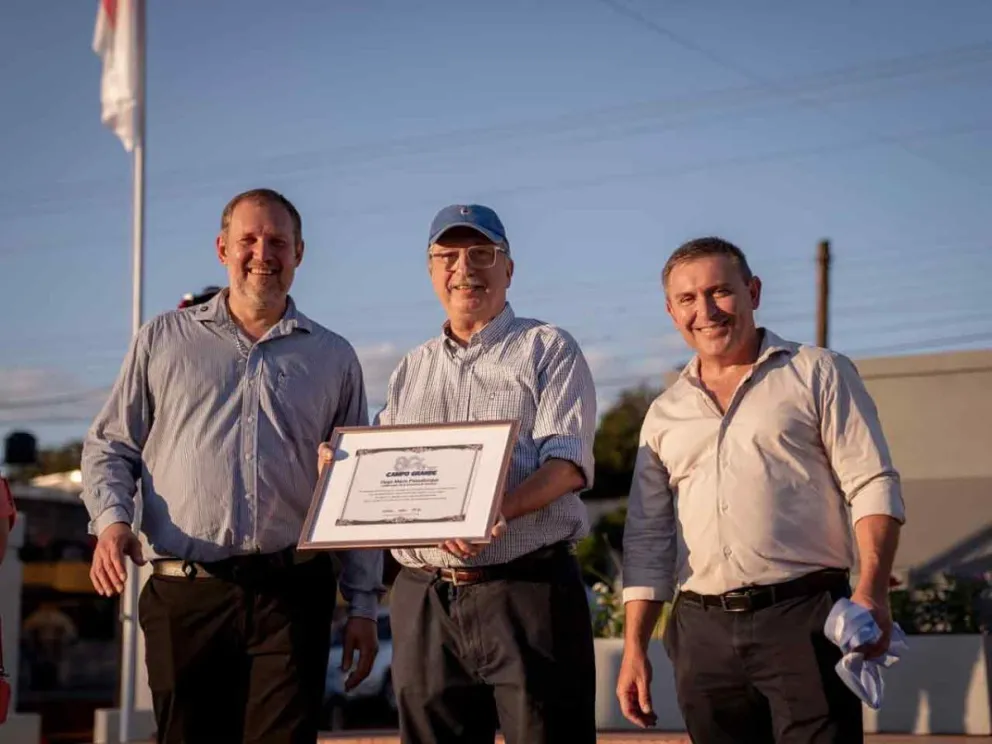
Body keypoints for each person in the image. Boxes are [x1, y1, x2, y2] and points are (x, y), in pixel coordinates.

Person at [81, 188, 383, 744]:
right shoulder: (162, 340)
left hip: (292, 597)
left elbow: (354, 490)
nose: (262, 253)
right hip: (185, 597)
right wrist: (112, 523)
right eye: (248, 240)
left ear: (299, 254)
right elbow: (110, 446)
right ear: (223, 248)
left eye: (278, 242)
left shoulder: (333, 357)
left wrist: (362, 604)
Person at [319, 204, 598, 744]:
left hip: (527, 591)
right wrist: (344, 470)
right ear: (430, 272)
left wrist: (501, 508)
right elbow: (384, 472)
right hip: (424, 600)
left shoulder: (549, 349)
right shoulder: (411, 368)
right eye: (447, 255)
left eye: (481, 254)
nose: (463, 267)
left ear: (508, 269)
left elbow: (565, 466)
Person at [617, 237, 906, 743]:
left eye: (719, 292)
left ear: (752, 291)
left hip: (805, 620)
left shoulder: (818, 373)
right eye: (687, 299)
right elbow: (647, 537)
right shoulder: (663, 413)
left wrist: (873, 590)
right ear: (671, 311)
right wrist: (636, 648)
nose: (705, 311)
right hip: (699, 634)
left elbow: (872, 482)